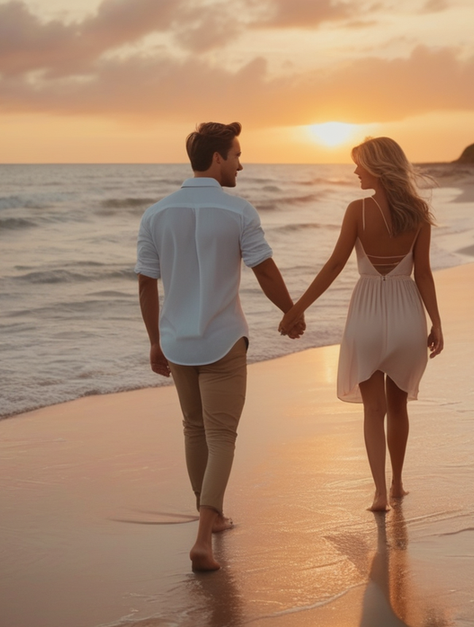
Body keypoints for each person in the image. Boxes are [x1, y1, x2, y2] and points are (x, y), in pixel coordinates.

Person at [136, 121, 304, 571]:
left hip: (176, 340)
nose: (240, 163)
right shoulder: (238, 212)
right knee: (221, 435)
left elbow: (146, 286)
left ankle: (211, 517)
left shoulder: (155, 213)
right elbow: (264, 270)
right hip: (223, 338)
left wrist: (155, 341)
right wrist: (291, 312)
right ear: (217, 159)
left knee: (194, 429)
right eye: (236, 155)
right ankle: (203, 539)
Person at [279, 137, 443, 512]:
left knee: (373, 410)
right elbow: (424, 275)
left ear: (378, 168)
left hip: (366, 314)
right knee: (398, 407)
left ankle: (380, 493)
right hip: (406, 315)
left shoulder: (357, 210)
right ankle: (399, 483)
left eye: (360, 165)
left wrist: (297, 308)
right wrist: (437, 323)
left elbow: (335, 265)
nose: (355, 172)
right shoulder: (418, 213)